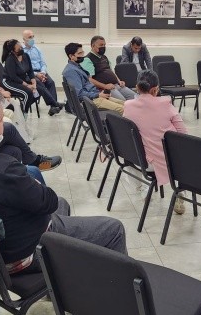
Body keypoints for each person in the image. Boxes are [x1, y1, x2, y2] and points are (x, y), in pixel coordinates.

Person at [0, 90, 126, 273]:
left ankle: (61, 280)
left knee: (63, 203)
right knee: (113, 228)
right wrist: (28, 179)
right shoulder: (2, 169)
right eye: (1, 121)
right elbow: (48, 201)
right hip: (19, 255)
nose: (4, 126)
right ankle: (117, 292)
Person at [123, 70, 187, 214]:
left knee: (131, 149)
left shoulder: (128, 106)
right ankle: (179, 190)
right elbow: (183, 134)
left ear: (137, 87)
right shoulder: (166, 104)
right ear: (155, 89)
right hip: (167, 162)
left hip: (139, 161)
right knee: (180, 154)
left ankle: (143, 188)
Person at [1, 39, 63, 115]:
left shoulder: (25, 56)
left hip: (21, 80)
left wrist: (34, 83)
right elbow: (13, 77)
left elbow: (30, 71)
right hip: (9, 82)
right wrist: (27, 85)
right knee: (28, 92)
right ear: (13, 51)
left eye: (21, 47)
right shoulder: (10, 59)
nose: (21, 49)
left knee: (40, 89)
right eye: (19, 49)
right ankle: (24, 113)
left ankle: (21, 108)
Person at [62, 43, 124, 114]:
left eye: (82, 52)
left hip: (95, 96)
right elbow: (79, 94)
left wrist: (99, 94)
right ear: (71, 56)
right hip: (90, 101)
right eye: (79, 53)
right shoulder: (71, 71)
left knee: (127, 105)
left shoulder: (77, 67)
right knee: (123, 109)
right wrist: (97, 95)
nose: (82, 55)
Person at [81, 36, 135, 101]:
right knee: (122, 101)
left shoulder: (104, 57)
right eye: (101, 45)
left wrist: (119, 81)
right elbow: (89, 79)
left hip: (116, 85)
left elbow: (111, 71)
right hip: (105, 88)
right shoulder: (88, 59)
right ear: (93, 46)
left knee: (135, 97)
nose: (103, 47)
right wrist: (105, 86)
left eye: (104, 45)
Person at [21, 29, 61, 114]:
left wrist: (43, 72)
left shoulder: (37, 49)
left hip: (41, 71)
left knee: (51, 82)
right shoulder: (21, 51)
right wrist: (36, 74)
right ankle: (54, 104)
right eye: (29, 37)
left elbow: (43, 63)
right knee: (40, 84)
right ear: (24, 39)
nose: (32, 39)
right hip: (29, 74)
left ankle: (53, 107)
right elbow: (24, 68)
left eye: (33, 36)